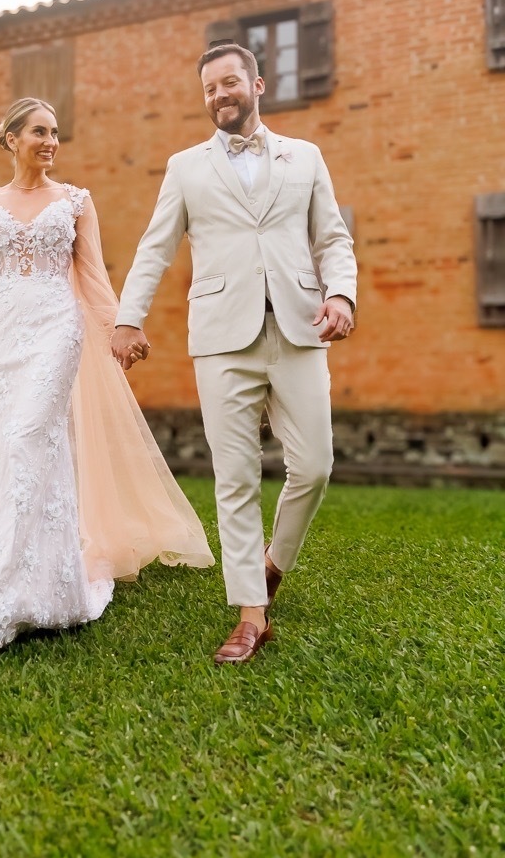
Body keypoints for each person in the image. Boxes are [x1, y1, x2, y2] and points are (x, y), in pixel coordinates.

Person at [0, 97, 213, 669]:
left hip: (58, 332)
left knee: (30, 438)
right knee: (5, 450)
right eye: (38, 131)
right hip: (0, 339)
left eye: (55, 132)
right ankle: (38, 583)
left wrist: (119, 328)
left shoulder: (76, 202)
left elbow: (94, 276)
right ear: (10, 138)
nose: (50, 141)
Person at [111, 45, 357, 665]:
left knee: (316, 466)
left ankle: (272, 564)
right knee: (236, 477)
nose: (219, 95)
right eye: (208, 90)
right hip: (221, 338)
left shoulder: (306, 157)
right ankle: (251, 615)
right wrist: (126, 317)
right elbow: (155, 248)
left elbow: (332, 237)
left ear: (257, 84)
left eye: (229, 83)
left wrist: (343, 296)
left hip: (300, 329)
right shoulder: (185, 168)